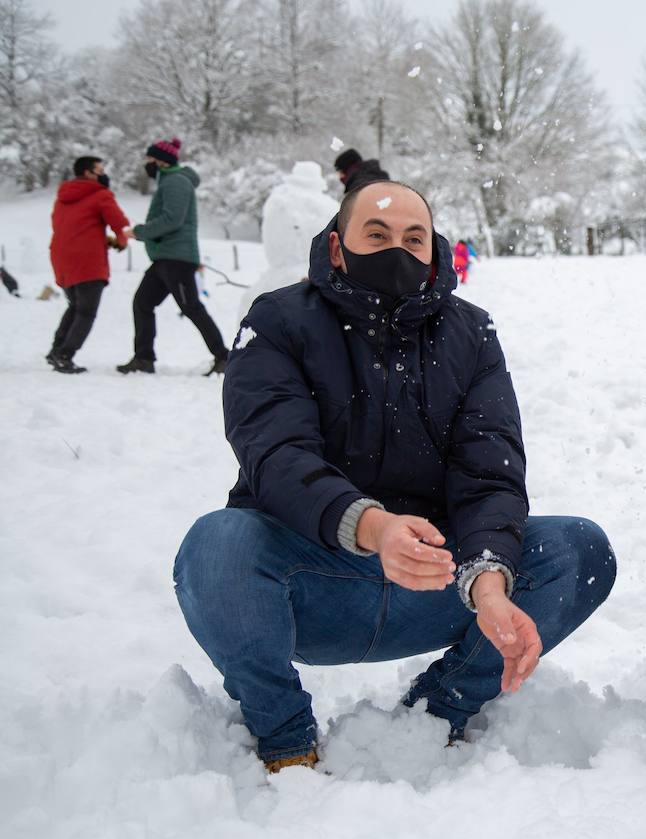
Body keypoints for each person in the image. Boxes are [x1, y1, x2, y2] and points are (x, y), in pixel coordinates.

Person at [172, 180, 616, 772]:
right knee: (216, 544)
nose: (397, 252)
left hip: (434, 578)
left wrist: (488, 579)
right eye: (376, 236)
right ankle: (284, 735)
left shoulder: (472, 334)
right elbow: (275, 454)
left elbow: (490, 472)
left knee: (576, 550)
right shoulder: (277, 320)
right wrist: (373, 528)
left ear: (435, 250)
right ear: (337, 247)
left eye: (414, 239)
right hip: (310, 579)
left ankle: (440, 711)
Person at [117, 138, 229, 376]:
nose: (147, 164)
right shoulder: (170, 181)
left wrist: (139, 231)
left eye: (150, 159)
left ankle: (223, 357)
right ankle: (143, 358)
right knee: (142, 303)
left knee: (192, 308)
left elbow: (172, 219)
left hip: (176, 258)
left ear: (161, 161)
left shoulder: (176, 182)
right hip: (165, 257)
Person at [46, 155, 129, 374]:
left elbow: (73, 227)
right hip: (88, 262)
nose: (103, 175)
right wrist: (120, 242)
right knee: (86, 312)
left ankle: (56, 350)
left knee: (75, 306)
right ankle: (65, 355)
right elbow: (120, 224)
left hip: (62, 259)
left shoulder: (63, 196)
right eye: (99, 171)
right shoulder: (100, 195)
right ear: (88, 173)